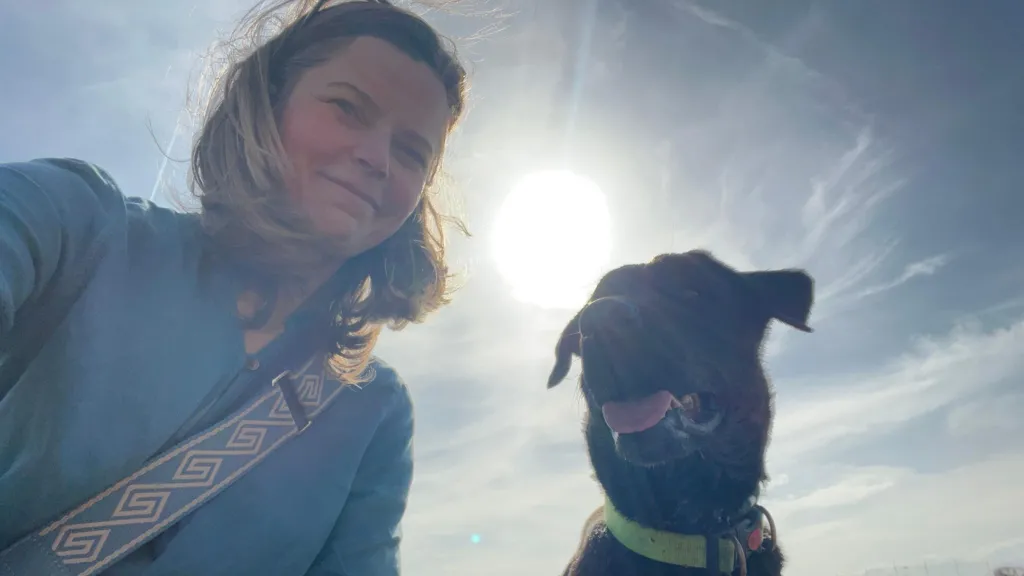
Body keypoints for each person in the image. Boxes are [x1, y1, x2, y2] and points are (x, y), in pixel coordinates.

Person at [0, 0, 468, 574]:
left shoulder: (375, 412)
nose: (376, 158)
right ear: (268, 105)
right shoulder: (79, 226)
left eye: (410, 151)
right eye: (347, 108)